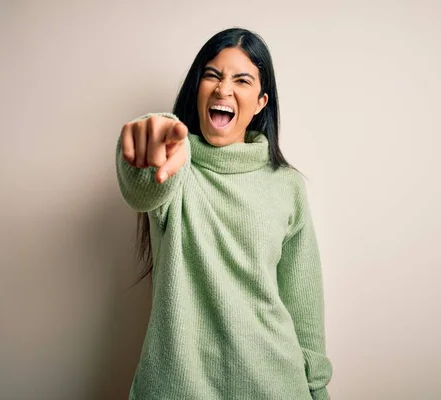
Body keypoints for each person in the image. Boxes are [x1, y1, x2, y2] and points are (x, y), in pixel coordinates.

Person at [116, 27, 332, 400]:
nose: (222, 89)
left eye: (241, 80)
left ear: (261, 101)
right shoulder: (177, 164)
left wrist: (317, 390)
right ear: (196, 90)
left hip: (276, 385)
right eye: (212, 75)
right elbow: (143, 186)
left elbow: (303, 303)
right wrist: (148, 144)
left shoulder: (287, 185)